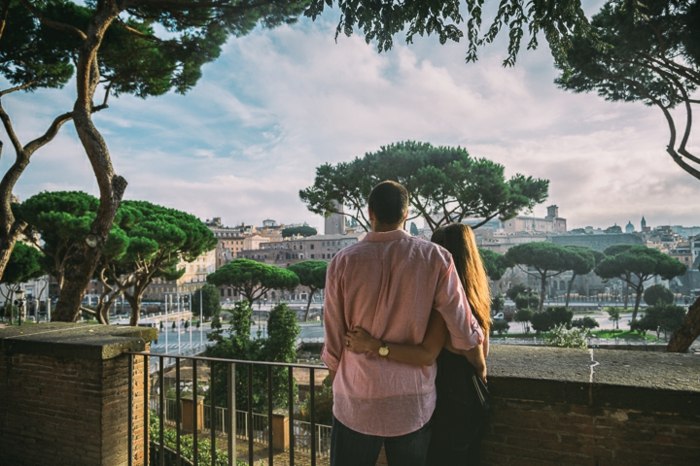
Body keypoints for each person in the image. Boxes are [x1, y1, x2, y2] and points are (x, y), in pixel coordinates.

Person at [322, 181, 483, 466]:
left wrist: (339, 378)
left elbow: (334, 337)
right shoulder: (436, 258)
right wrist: (480, 366)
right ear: (406, 213)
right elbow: (462, 328)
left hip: (356, 398)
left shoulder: (342, 262)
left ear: (370, 213)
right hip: (412, 404)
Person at [346, 223, 491, 466]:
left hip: (451, 395)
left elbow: (429, 353)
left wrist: (373, 344)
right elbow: (477, 349)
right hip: (470, 394)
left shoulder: (445, 304)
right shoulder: (475, 295)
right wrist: (480, 369)